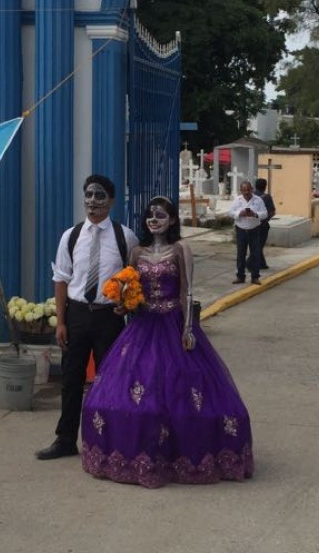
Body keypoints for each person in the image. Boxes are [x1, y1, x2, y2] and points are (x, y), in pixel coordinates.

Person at [80, 196, 254, 488]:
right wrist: (125, 303)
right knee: (127, 392)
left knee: (184, 391)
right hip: (143, 326)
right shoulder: (137, 252)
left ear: (172, 220)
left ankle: (184, 457)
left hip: (173, 323)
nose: (154, 219)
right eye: (150, 215)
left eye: (160, 215)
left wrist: (188, 328)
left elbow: (187, 291)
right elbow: (129, 285)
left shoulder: (180, 249)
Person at [36, 174, 139, 461]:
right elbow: (61, 279)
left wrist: (126, 306)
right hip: (77, 314)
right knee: (70, 380)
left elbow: (133, 279)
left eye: (99, 196)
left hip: (109, 318)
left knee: (109, 381)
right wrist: (61, 321)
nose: (93, 201)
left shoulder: (125, 237)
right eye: (89, 195)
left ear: (111, 201)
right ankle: (65, 439)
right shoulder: (70, 236)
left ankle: (108, 440)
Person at [228, 180, 267, 285]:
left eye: (248, 190)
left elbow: (265, 213)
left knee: (255, 254)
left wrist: (255, 214)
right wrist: (239, 213)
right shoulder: (237, 200)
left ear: (252, 189)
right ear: (241, 190)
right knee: (241, 254)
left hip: (254, 230)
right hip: (241, 230)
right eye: (244, 190)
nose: (246, 192)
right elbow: (230, 212)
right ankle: (240, 276)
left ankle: (255, 277)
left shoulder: (258, 200)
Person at [253, 178, 276, 270]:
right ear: (265, 186)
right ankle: (250, 262)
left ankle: (262, 264)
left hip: (251, 224)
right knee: (259, 245)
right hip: (262, 225)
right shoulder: (267, 197)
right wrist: (266, 219)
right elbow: (272, 211)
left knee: (256, 245)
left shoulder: (251, 196)